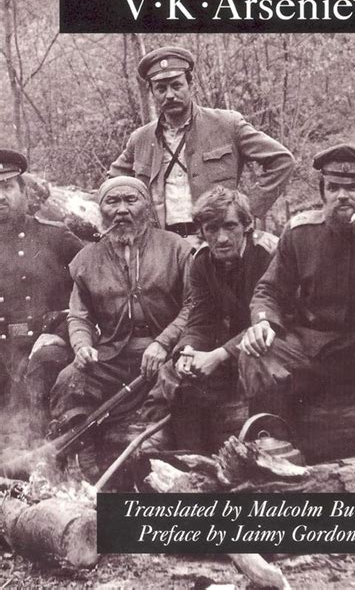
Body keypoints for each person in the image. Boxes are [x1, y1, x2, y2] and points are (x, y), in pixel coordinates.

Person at [238, 143, 355, 420]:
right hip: (308, 349)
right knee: (257, 351)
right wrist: (264, 322)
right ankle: (270, 439)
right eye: (333, 187)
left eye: (352, 188)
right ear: (323, 194)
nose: (342, 196)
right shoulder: (300, 233)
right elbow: (269, 290)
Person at [50, 176, 192, 477]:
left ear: (147, 207)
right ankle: (83, 460)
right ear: (101, 210)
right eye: (112, 202)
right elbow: (79, 315)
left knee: (182, 387)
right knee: (70, 380)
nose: (122, 210)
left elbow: (195, 306)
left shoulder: (176, 248)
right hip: (114, 355)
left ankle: (161, 458)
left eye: (131, 200)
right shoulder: (86, 259)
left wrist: (164, 342)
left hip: (170, 352)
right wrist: (82, 346)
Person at [108, 45, 295, 242]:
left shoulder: (227, 124)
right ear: (152, 92)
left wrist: (247, 208)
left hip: (217, 242)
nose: (169, 95)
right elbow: (112, 183)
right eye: (161, 88)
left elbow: (282, 160)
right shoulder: (141, 138)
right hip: (162, 244)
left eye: (176, 86)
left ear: (191, 84)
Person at [143, 186, 278, 451]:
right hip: (233, 341)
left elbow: (278, 317)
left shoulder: (268, 254)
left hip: (272, 339)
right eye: (212, 229)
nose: (222, 238)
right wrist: (188, 349)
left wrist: (219, 355)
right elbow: (201, 318)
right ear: (202, 232)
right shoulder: (202, 262)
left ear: (247, 225)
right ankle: (187, 456)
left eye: (230, 226)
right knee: (175, 369)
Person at [0, 149, 83, 434]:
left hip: (47, 345)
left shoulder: (55, 236)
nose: (0, 197)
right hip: (3, 350)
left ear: (24, 192)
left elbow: (97, 287)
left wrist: (63, 333)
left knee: (45, 367)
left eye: (7, 187)